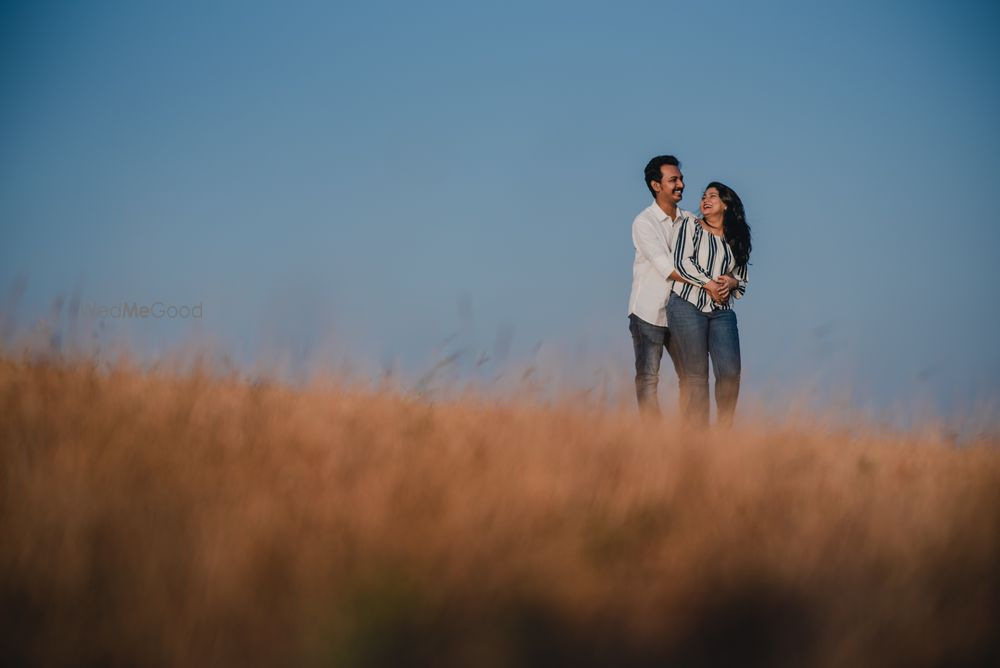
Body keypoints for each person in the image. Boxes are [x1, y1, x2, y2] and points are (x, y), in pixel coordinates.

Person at [666, 181, 752, 428]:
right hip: (687, 305)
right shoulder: (690, 225)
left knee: (730, 373)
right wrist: (710, 284)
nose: (706, 199)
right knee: (696, 376)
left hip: (722, 312)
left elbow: (742, 279)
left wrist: (730, 282)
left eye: (713, 196)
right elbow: (682, 263)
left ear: (725, 205)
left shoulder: (735, 238)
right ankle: (697, 439)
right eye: (704, 196)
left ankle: (725, 431)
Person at [628, 155, 700, 416]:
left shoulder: (691, 221)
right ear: (656, 185)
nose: (680, 184)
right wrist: (707, 284)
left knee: (692, 378)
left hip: (683, 314)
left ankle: (688, 440)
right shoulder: (643, 222)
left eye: (681, 179)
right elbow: (667, 267)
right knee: (648, 379)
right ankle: (653, 441)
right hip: (648, 312)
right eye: (673, 180)